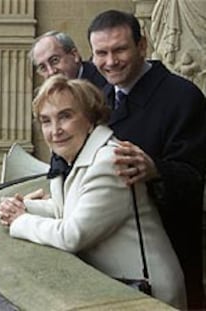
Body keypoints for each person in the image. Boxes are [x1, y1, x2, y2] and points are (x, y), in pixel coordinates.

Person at [0, 76, 186, 309]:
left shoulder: (109, 162)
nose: (55, 130)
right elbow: (67, 210)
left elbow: (72, 235)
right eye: (46, 121)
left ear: (90, 119)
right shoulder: (74, 157)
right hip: (121, 287)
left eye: (65, 116)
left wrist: (21, 221)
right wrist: (23, 207)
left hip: (149, 294)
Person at [87, 9, 206, 309]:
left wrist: (155, 169)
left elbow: (195, 178)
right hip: (109, 251)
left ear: (143, 46)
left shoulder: (184, 97)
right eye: (101, 53)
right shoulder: (98, 99)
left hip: (169, 252)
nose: (110, 61)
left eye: (119, 49)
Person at [29, 31, 106, 186]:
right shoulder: (55, 92)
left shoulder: (103, 86)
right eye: (43, 67)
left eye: (55, 60)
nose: (51, 72)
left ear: (75, 55)